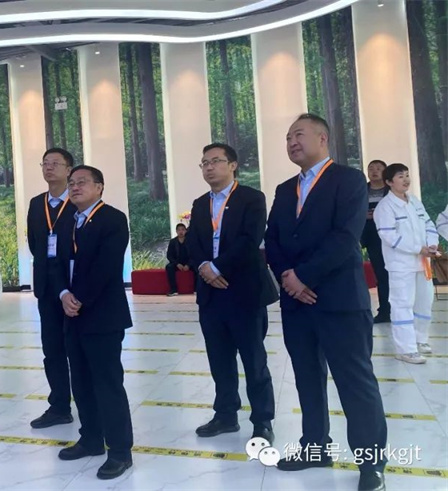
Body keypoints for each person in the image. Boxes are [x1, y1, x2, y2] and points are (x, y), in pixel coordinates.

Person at [265, 114, 387, 491]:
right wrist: (288, 278)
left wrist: (304, 276)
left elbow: (345, 237)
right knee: (307, 379)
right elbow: (273, 239)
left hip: (340, 301)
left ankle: (371, 464)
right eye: (287, 137)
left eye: (298, 135)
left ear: (322, 138)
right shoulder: (285, 189)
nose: (291, 142)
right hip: (297, 304)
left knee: (355, 382)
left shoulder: (348, 180)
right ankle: (314, 447)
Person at [185, 143, 275, 444]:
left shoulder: (251, 198)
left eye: (215, 161)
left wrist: (217, 267)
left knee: (254, 359)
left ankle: (262, 420)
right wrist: (204, 268)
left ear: (233, 165)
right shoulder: (200, 204)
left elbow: (250, 240)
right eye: (204, 163)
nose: (209, 167)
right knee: (219, 359)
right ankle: (225, 415)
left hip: (243, 291)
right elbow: (192, 242)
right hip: (210, 293)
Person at [53, 165, 134, 480]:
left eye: (82, 182)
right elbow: (54, 263)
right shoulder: (65, 222)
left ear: (99, 187)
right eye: (71, 183)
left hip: (102, 314)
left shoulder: (112, 219)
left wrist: (80, 298)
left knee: (107, 383)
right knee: (81, 381)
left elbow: (107, 266)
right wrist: (63, 294)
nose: (74, 187)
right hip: (71, 313)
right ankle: (90, 439)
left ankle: (120, 451)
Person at [26, 148, 77, 429]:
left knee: (78, 348)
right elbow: (35, 243)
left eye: (55, 163)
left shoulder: (78, 200)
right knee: (52, 349)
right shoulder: (37, 204)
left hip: (74, 286)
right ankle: (59, 406)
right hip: (47, 288)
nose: (49, 167)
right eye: (45, 163)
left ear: (69, 170)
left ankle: (88, 402)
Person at [373, 164, 439, 364]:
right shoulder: (385, 207)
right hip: (401, 265)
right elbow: (389, 236)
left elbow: (428, 224)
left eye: (407, 175)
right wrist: (418, 248)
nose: (406, 179)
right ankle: (406, 349)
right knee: (402, 304)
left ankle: (421, 340)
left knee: (424, 302)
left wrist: (432, 244)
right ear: (389, 182)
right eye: (400, 176)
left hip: (422, 263)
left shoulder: (414, 202)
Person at [361, 160, 391, 324]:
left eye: (378, 168)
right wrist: (363, 215)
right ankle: (384, 310)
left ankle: (399, 309)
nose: (374, 171)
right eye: (371, 168)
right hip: (372, 237)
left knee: (394, 275)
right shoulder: (362, 190)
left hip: (392, 238)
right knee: (381, 274)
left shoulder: (391, 190)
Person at [165, 223, 192, 296]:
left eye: (183, 230)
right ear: (176, 231)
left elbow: (194, 255)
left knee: (198, 266)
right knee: (169, 267)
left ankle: (196, 289)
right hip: (177, 263)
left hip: (188, 263)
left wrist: (188, 265)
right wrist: (177, 264)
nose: (181, 232)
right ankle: (174, 290)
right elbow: (169, 255)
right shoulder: (173, 242)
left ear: (185, 231)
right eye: (179, 230)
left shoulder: (190, 241)